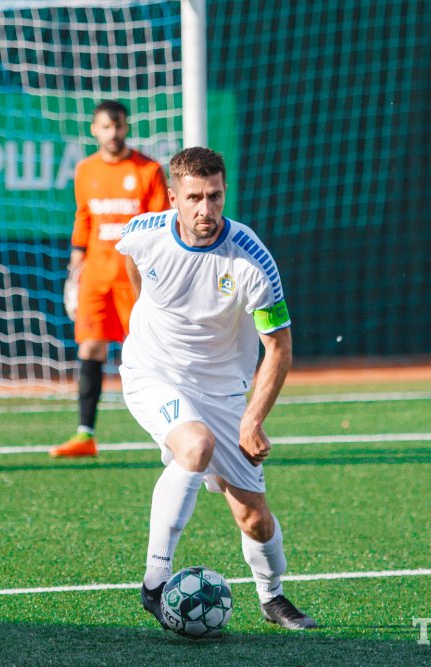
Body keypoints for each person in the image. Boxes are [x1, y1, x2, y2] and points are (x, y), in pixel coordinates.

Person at [116, 147, 318, 630]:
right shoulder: (143, 233)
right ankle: (154, 583)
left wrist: (253, 419)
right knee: (195, 445)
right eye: (194, 198)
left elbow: (279, 347)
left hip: (224, 391)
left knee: (255, 520)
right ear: (173, 198)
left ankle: (272, 596)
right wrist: (146, 323)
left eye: (214, 196)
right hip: (152, 372)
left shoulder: (252, 261)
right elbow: (132, 267)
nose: (205, 209)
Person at [50, 100, 170, 458]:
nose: (113, 133)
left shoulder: (148, 170)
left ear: (127, 127)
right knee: (90, 348)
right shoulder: (86, 170)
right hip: (95, 278)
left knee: (151, 352)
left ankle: (171, 430)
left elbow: (161, 226)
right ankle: (85, 435)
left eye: (118, 126)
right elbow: (84, 218)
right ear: (94, 129)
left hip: (134, 280)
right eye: (106, 127)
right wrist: (75, 270)